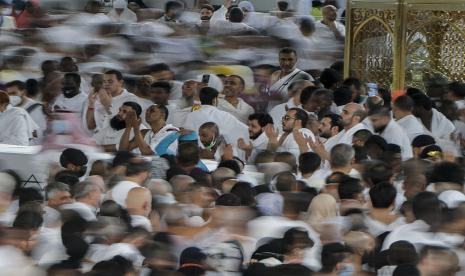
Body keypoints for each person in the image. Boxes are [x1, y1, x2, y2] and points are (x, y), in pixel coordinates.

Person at [183, 87, 249, 160]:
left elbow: (184, 137)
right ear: (214, 100)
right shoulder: (225, 116)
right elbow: (244, 131)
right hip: (216, 159)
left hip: (193, 157)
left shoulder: (191, 116)